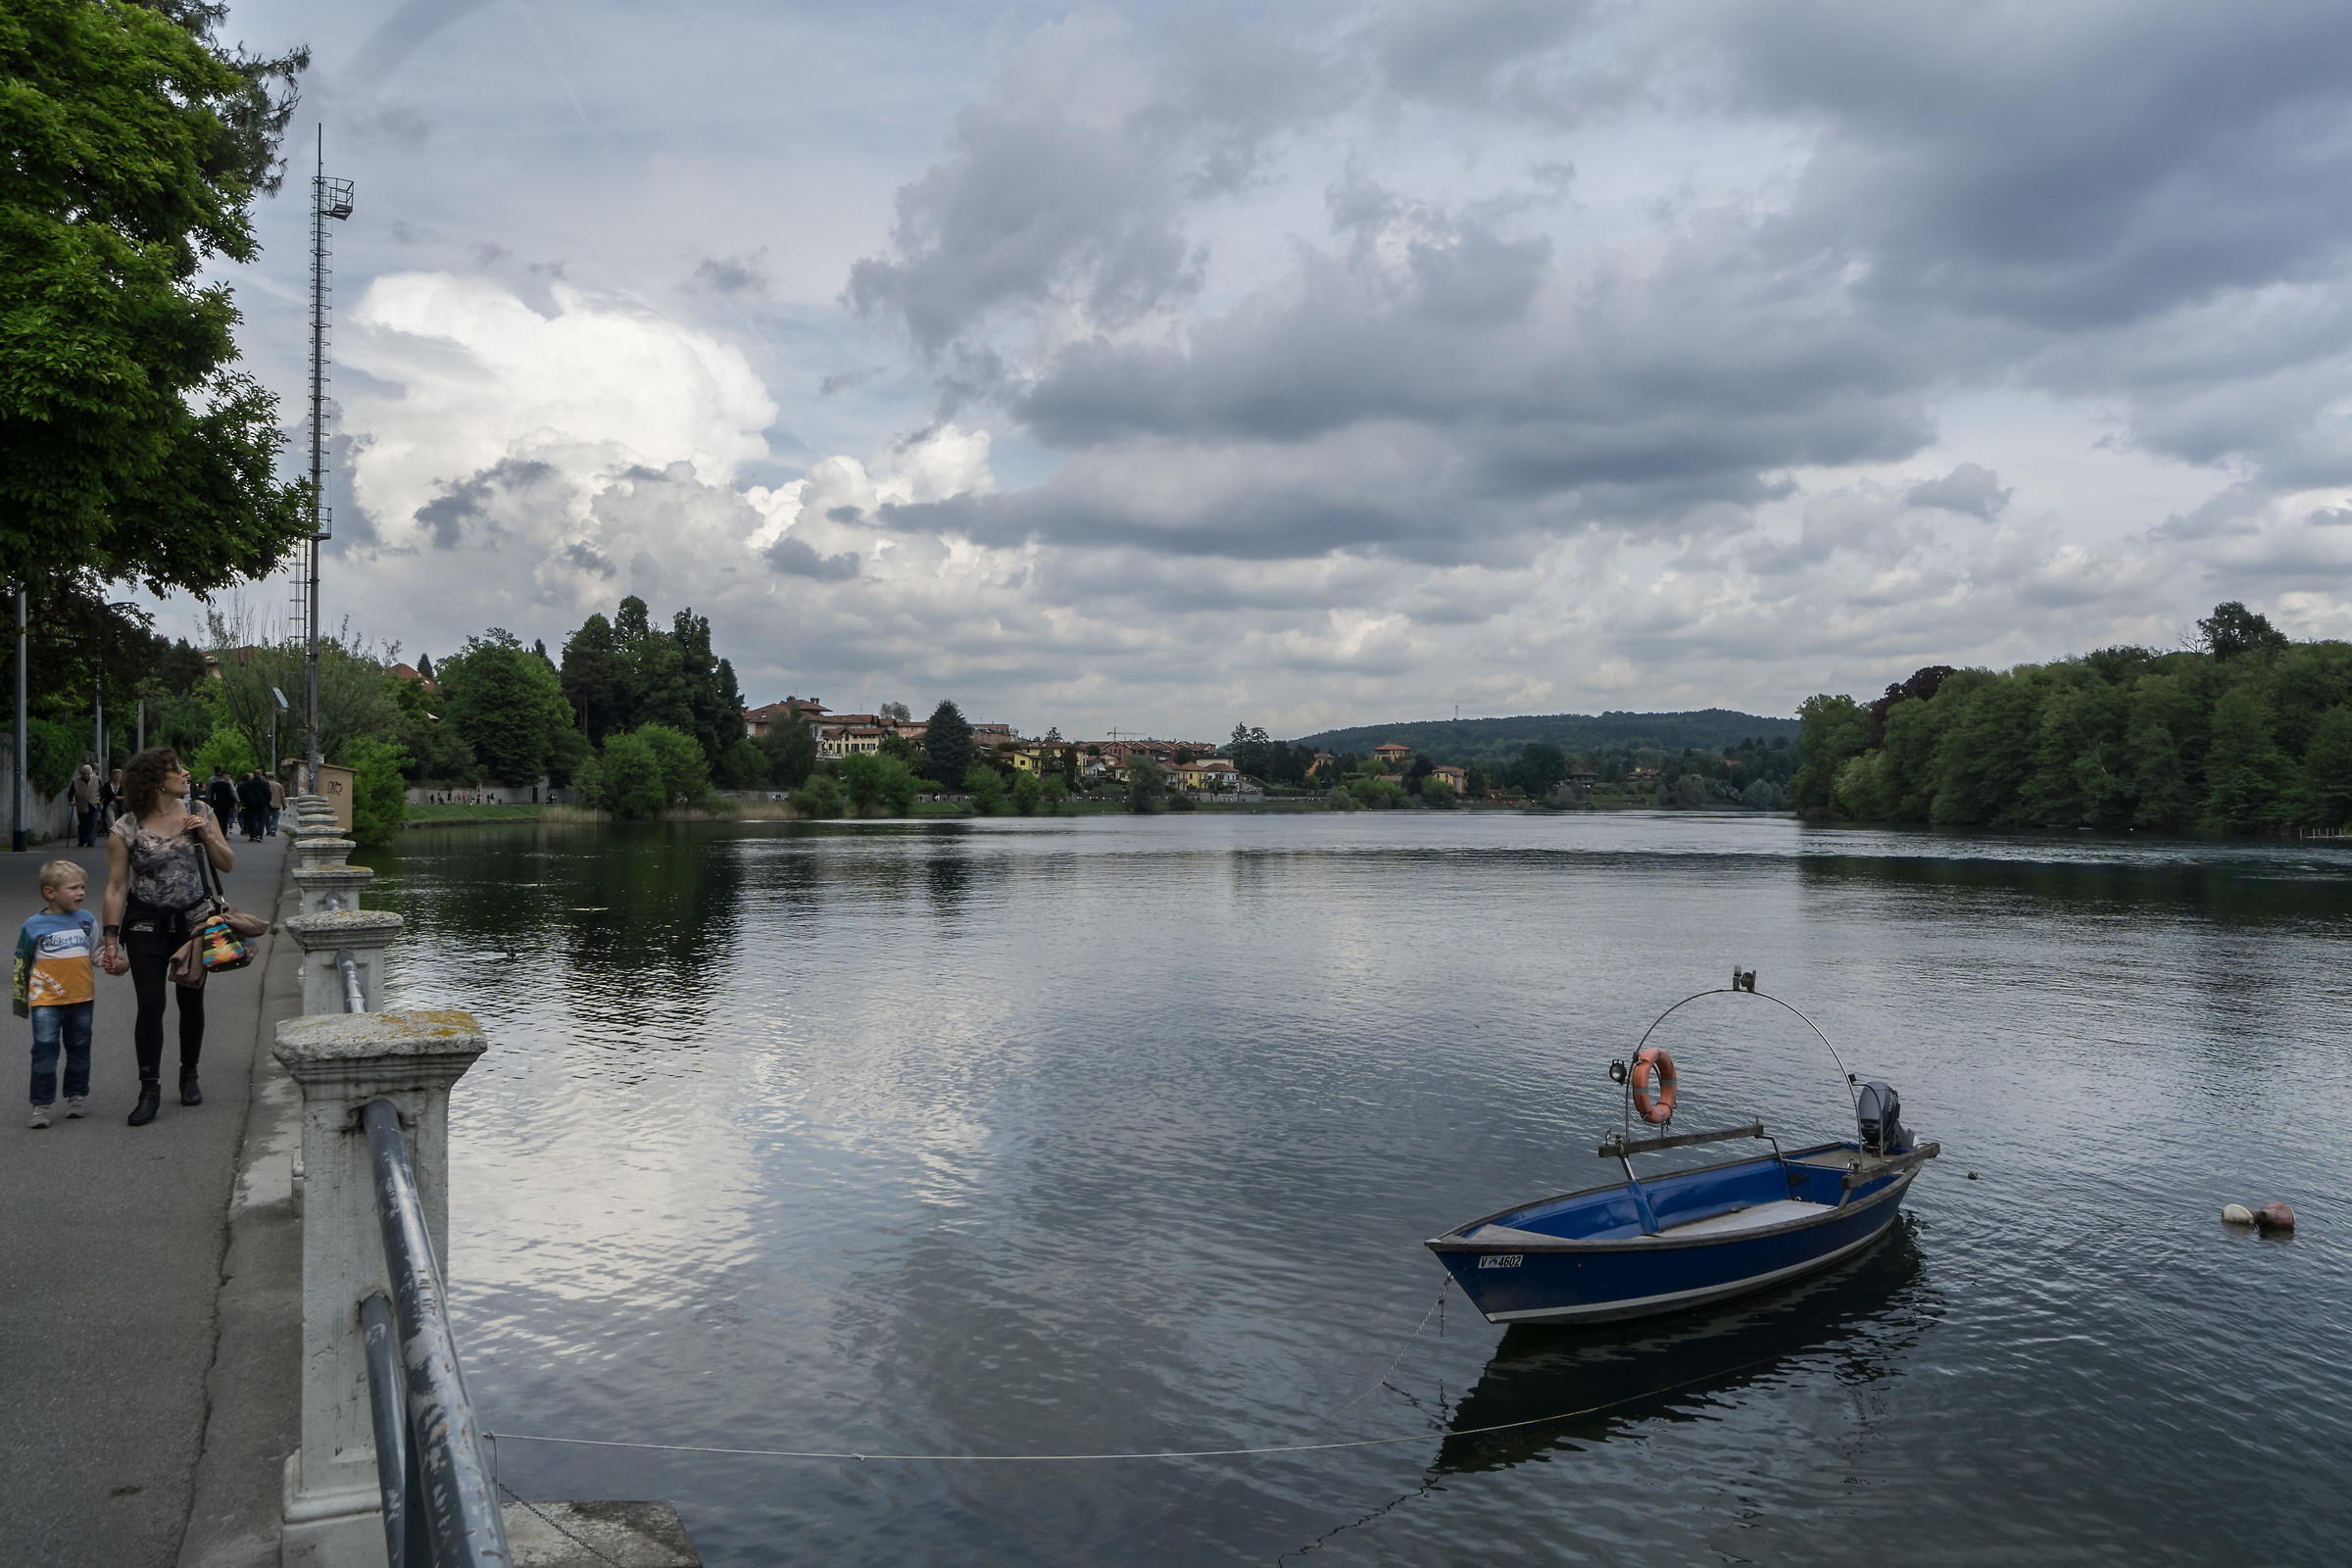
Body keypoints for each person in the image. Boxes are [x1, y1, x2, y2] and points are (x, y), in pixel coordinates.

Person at [101, 748, 233, 1126]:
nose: (185, 773)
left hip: (194, 922)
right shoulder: (126, 827)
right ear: (157, 780)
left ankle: (189, 1074)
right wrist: (110, 940)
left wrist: (206, 836)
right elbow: (116, 887)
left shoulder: (201, 811)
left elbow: (227, 863)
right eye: (177, 769)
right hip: (145, 923)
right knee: (150, 1004)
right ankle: (149, 1089)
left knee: (191, 1000)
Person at [15, 858, 109, 1129]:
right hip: (45, 1000)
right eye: (73, 888)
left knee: (79, 1047)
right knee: (44, 1049)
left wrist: (112, 961)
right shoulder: (33, 925)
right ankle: (41, 1104)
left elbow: (96, 952)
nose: (81, 892)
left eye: (82, 887)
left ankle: (76, 1095)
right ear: (50, 892)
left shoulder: (86, 920)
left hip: (81, 998)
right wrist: (20, 1001)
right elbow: (21, 962)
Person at [71, 764, 102, 848]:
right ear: (81, 773)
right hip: (81, 804)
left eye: (88, 774)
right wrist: (71, 800)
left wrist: (101, 801)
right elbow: (71, 792)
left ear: (91, 773)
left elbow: (101, 790)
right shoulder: (76, 781)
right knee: (83, 824)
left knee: (92, 822)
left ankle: (90, 841)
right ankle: (82, 840)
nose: (86, 775)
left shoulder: (96, 779)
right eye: (84, 774)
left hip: (94, 803)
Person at [236, 770, 269, 842]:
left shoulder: (248, 784)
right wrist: (266, 802)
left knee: (251, 820)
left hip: (250, 804)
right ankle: (259, 835)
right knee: (261, 820)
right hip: (261, 804)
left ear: (254, 775)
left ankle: (252, 836)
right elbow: (268, 794)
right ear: (261, 775)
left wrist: (244, 801)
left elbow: (242, 794)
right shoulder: (264, 784)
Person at [266, 771, 285, 837]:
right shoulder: (279, 785)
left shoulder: (265, 784)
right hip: (276, 804)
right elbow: (282, 796)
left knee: (266, 817)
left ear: (267, 777)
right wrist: (284, 805)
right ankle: (274, 829)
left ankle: (269, 830)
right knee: (275, 817)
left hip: (267, 804)